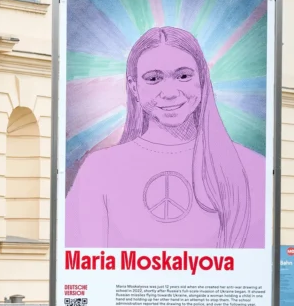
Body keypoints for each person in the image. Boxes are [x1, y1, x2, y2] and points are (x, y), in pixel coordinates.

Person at [65, 25, 263, 249]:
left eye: (183, 76)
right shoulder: (99, 170)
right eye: (153, 78)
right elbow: (82, 264)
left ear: (202, 78)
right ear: (134, 87)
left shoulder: (251, 167)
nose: (169, 92)